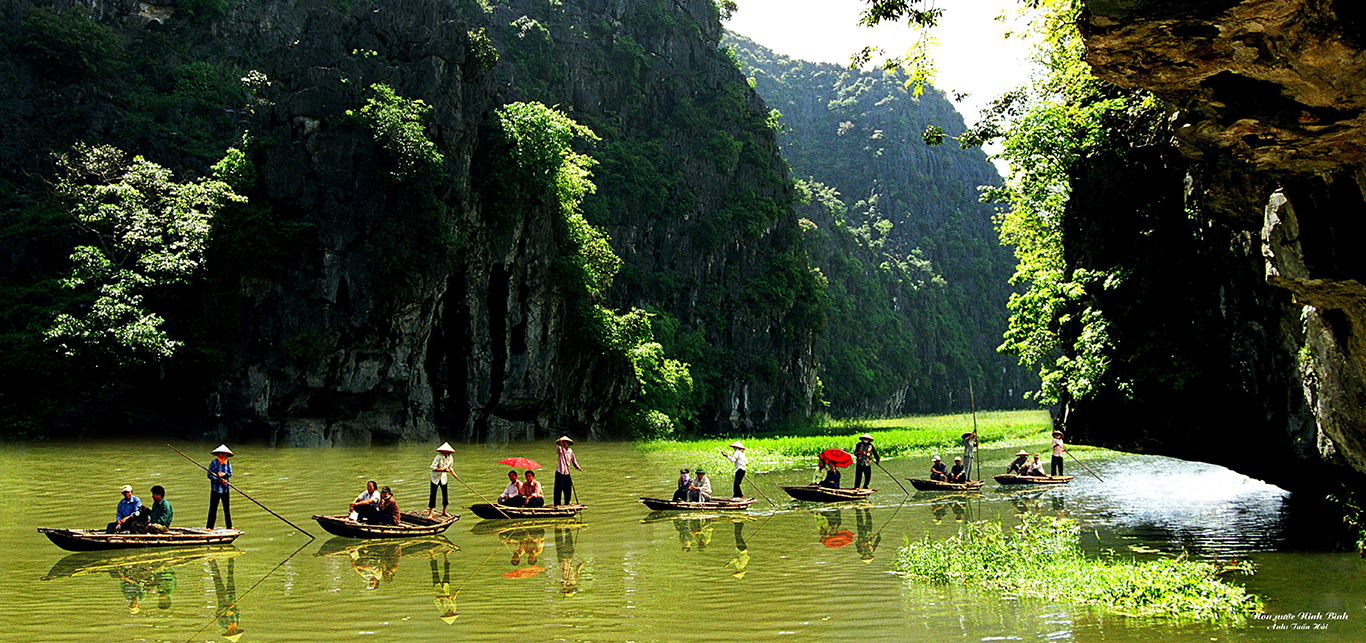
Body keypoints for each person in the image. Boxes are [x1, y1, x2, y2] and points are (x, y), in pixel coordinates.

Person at [207, 445, 233, 529]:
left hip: (225, 489)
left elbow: (229, 473)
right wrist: (217, 479)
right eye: (221, 454)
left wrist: (224, 476)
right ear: (218, 454)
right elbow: (209, 475)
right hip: (216, 489)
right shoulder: (213, 463)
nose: (223, 455)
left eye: (224, 454)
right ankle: (209, 527)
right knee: (213, 508)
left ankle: (229, 526)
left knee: (226, 508)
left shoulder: (227, 463)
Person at [554, 436, 583, 506]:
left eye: (566, 442)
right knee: (558, 488)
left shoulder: (570, 451)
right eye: (564, 442)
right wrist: (560, 443)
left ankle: (567, 502)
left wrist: (577, 467)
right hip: (560, 471)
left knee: (568, 488)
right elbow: (558, 449)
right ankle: (557, 503)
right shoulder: (560, 449)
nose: (565, 443)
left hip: (567, 472)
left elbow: (573, 460)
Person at [429, 442, 455, 518]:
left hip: (443, 478)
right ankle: (430, 513)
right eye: (444, 451)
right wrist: (442, 470)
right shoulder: (438, 457)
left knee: (445, 494)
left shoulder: (450, 458)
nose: (445, 452)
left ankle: (444, 511)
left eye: (447, 451)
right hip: (435, 478)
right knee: (433, 494)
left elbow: (450, 467)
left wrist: (453, 473)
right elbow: (432, 468)